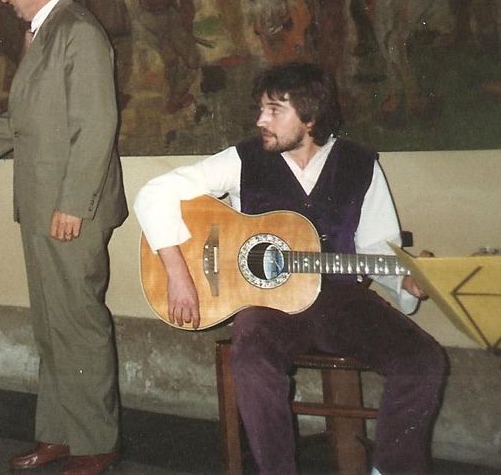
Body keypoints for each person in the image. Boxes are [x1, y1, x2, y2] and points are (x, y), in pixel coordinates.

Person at [134, 62, 447, 475]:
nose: (260, 120)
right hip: (269, 306)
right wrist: (178, 275)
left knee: (424, 360)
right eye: (261, 108)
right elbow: (154, 193)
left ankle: (389, 469)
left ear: (310, 117)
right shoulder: (244, 158)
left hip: (342, 300)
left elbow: (376, 247)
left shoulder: (360, 163)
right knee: (252, 360)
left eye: (275, 110)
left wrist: (406, 280)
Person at [0, 0, 127, 475]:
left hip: (71, 208)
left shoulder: (77, 31)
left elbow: (96, 125)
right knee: (51, 325)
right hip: (43, 205)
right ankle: (60, 435)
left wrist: (72, 204)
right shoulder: (47, 32)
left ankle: (97, 443)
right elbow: (26, 121)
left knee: (79, 323)